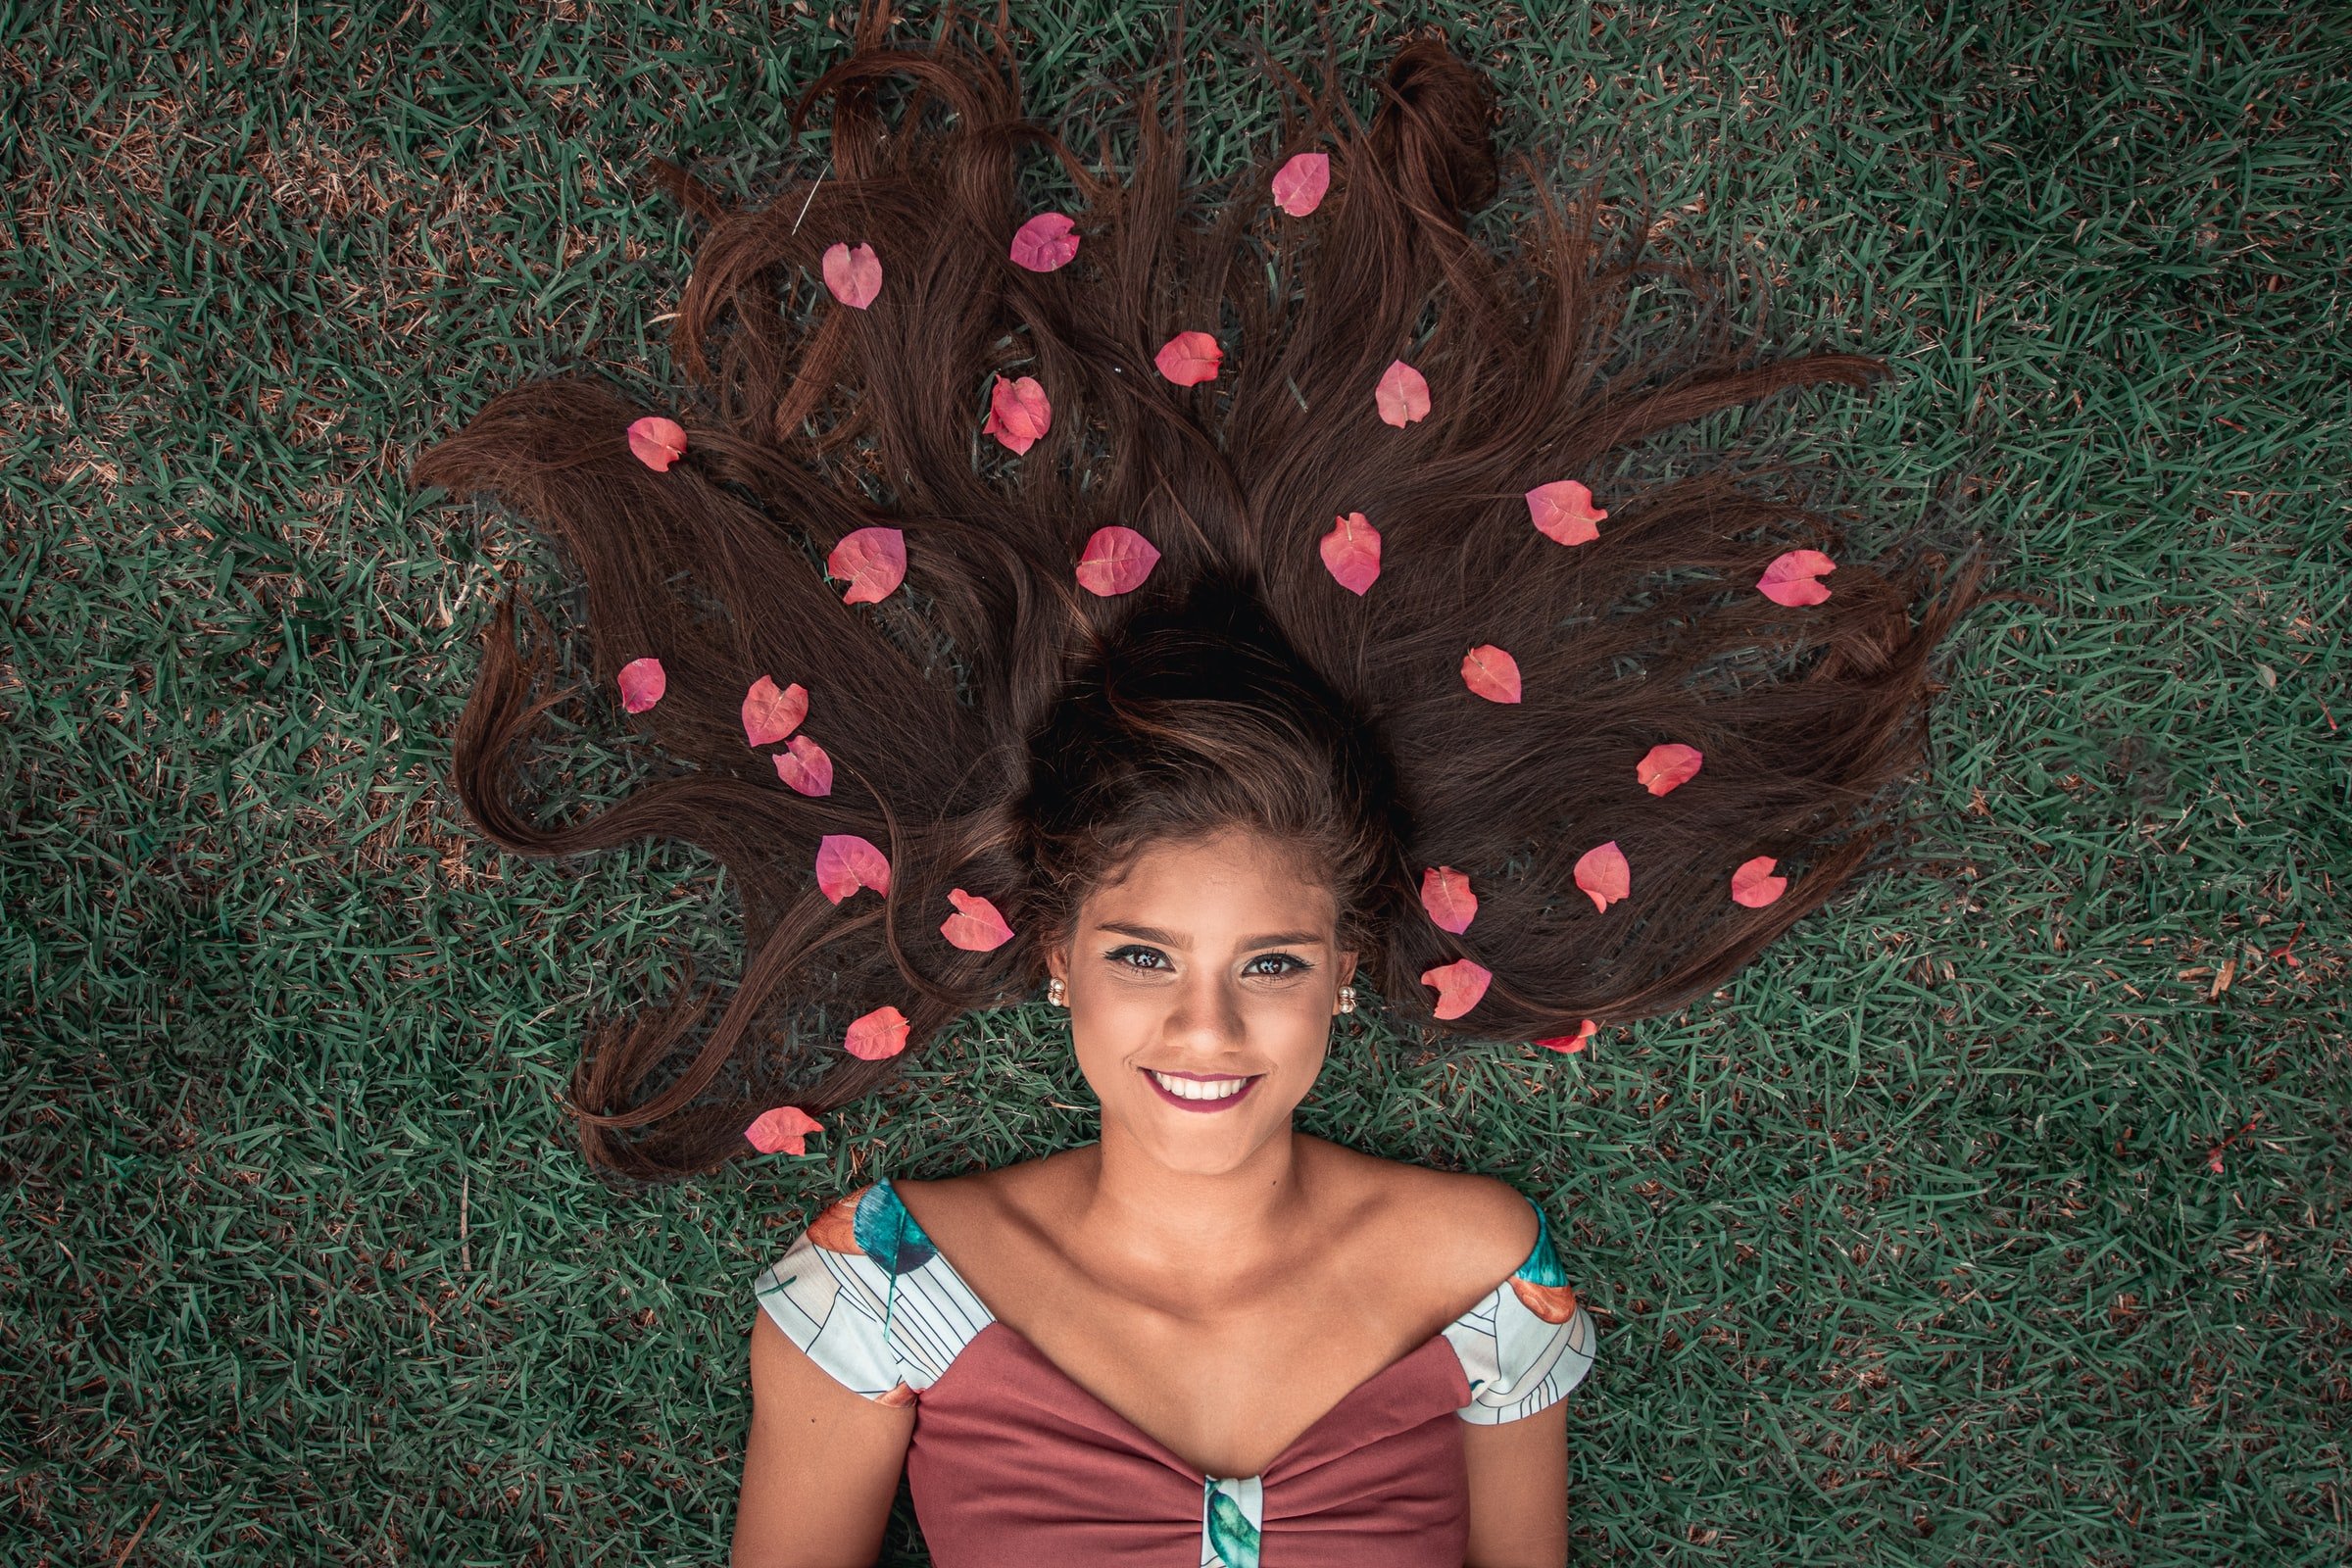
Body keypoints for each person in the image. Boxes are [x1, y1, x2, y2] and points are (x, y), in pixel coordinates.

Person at [408, 4, 2004, 1562]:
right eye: (1144, 957)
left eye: (1274, 967)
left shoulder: (1479, 1277)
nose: (1207, 1030)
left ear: (1348, 971)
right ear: (1056, 956)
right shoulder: (886, 1286)